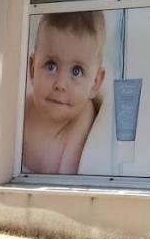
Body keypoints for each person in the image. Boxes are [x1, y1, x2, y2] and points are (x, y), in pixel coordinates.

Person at [22, 11, 107, 174]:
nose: (60, 84)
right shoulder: (21, 109)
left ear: (95, 84)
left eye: (76, 71)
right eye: (51, 66)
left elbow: (67, 183)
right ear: (32, 69)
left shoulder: (82, 120)